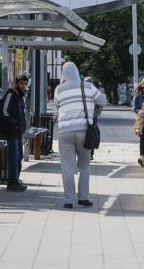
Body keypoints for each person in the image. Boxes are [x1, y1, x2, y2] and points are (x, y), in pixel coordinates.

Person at [55, 62, 106, 209]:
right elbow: (103, 101)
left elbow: (58, 107)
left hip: (65, 132)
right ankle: (83, 198)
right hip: (84, 131)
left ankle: (69, 200)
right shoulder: (88, 86)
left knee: (67, 167)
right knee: (84, 164)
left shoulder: (58, 89)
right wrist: (94, 114)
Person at [1, 75, 29, 192]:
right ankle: (12, 183)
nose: (23, 86)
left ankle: (16, 181)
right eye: (21, 83)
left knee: (18, 157)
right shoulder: (11, 94)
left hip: (18, 132)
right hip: (12, 131)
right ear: (16, 84)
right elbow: (4, 111)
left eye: (25, 84)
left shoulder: (20, 97)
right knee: (14, 157)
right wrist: (15, 124)